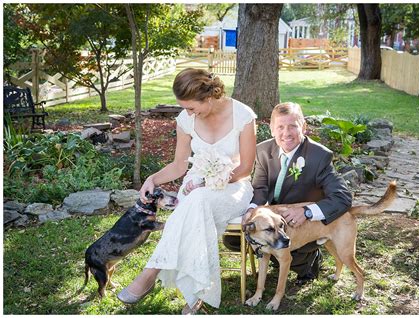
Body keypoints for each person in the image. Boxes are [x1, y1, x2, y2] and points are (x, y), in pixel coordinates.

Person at [117, 68, 257, 314]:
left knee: (197, 199)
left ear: (210, 96)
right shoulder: (185, 119)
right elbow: (180, 165)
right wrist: (153, 178)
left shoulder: (243, 115)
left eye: (192, 108)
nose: (188, 113)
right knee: (196, 201)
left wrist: (214, 181)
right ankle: (196, 297)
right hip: (195, 186)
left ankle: (151, 272)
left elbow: (246, 167)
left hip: (233, 187)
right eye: (185, 108)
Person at [223, 102, 352, 285]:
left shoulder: (319, 156)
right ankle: (275, 255)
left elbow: (343, 197)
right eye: (280, 127)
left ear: (304, 127)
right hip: (274, 221)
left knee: (294, 254)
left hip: (303, 225)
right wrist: (252, 210)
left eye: (293, 126)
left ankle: (310, 256)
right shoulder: (263, 151)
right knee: (233, 239)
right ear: (272, 129)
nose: (286, 133)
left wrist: (307, 211)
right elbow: (260, 188)